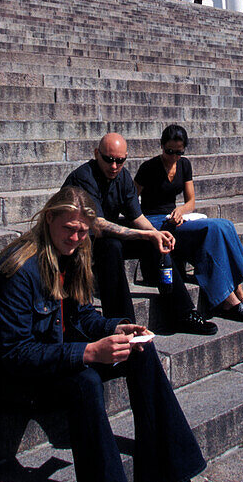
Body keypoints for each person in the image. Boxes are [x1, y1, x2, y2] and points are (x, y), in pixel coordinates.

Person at [0, 186, 216, 482]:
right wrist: (87, 352)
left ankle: (163, 480)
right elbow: (12, 354)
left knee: (140, 349)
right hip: (13, 379)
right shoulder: (19, 269)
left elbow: (82, 314)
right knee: (85, 382)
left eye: (83, 231)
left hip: (53, 352)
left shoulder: (74, 256)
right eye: (69, 229)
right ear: (47, 219)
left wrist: (115, 329)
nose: (75, 237)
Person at [63, 132, 216, 335]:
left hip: (101, 236)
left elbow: (136, 216)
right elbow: (97, 225)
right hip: (75, 241)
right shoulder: (84, 177)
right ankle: (123, 323)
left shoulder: (123, 176)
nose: (114, 166)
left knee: (153, 240)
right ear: (96, 154)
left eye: (120, 161)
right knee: (112, 246)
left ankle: (184, 313)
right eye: (108, 159)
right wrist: (146, 235)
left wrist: (156, 235)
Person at [134, 124, 243, 323]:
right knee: (213, 228)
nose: (173, 157)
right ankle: (228, 299)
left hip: (176, 217)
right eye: (169, 151)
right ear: (162, 146)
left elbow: (191, 202)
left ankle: (241, 294)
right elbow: (132, 201)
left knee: (225, 225)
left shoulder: (184, 165)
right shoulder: (148, 168)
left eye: (179, 152)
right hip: (155, 221)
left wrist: (180, 210)